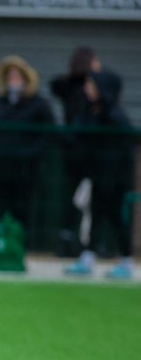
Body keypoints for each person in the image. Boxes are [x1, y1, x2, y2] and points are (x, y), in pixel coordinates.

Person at [55, 56, 135, 280]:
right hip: (95, 176)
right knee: (95, 216)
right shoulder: (88, 112)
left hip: (114, 178)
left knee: (115, 217)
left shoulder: (115, 117)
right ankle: (88, 257)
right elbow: (75, 136)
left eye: (91, 85)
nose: (87, 89)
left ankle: (127, 260)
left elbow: (122, 149)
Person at [0, 56, 54, 240]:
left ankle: (20, 245)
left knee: (23, 208)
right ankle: (0, 245)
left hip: (25, 168)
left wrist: (30, 153)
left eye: (17, 77)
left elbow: (47, 133)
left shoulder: (38, 105)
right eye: (10, 77)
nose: (13, 82)